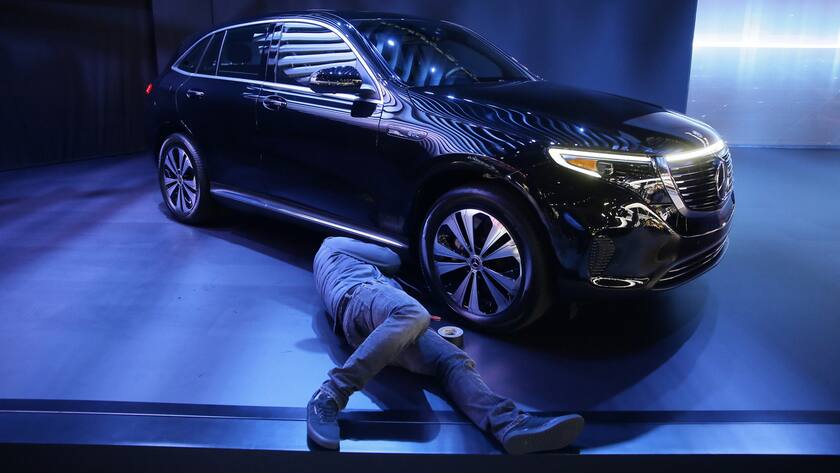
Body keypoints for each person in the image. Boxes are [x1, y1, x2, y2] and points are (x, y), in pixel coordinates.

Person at [307, 236, 583, 454]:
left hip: (360, 322)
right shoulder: (332, 243)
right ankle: (330, 394)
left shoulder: (327, 268)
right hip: (363, 296)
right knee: (413, 314)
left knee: (451, 359)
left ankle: (509, 424)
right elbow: (390, 259)